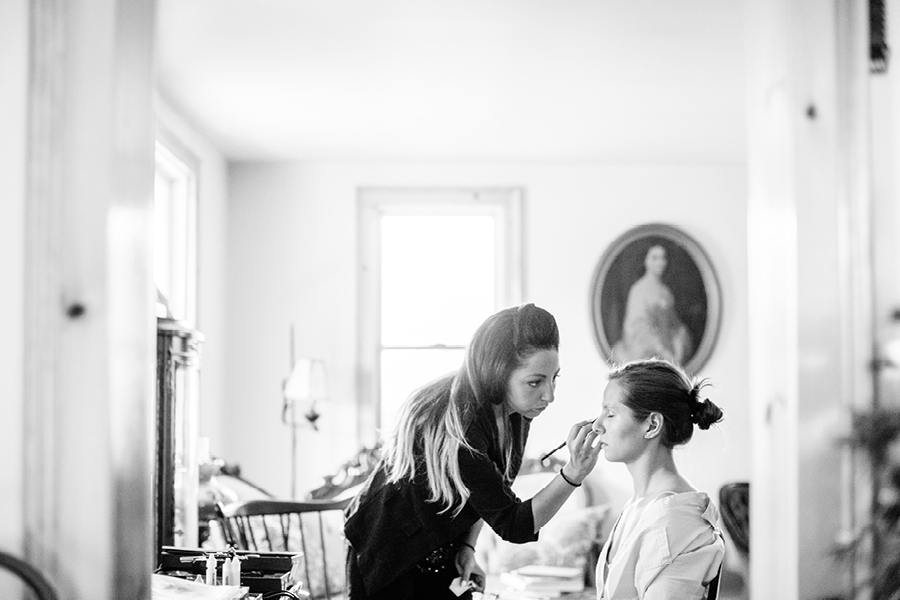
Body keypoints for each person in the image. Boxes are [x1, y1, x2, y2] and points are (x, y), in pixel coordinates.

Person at [344, 303, 603, 600]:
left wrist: (468, 547)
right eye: (535, 382)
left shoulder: (516, 412)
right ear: (498, 373)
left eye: (554, 378)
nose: (550, 395)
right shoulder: (459, 427)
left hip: (443, 547)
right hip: (389, 554)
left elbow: (488, 492)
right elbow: (514, 524)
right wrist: (573, 474)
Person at [592, 358, 724, 599]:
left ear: (652, 424)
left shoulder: (677, 520)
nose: (596, 425)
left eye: (610, 414)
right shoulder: (640, 504)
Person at [611, 245, 693, 365]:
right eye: (654, 258)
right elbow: (638, 327)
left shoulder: (665, 291)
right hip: (644, 350)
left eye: (663, 258)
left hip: (667, 347)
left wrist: (679, 339)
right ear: (645, 261)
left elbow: (674, 324)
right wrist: (662, 350)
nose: (660, 262)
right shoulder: (638, 290)